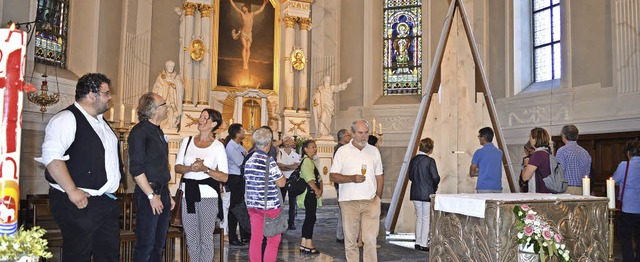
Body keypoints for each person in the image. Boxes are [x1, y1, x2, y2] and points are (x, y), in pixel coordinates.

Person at [37, 73, 122, 261]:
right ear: (92, 95)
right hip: (78, 202)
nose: (110, 98)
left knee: (108, 256)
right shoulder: (67, 118)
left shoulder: (102, 122)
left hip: (104, 202)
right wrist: (72, 190)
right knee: (78, 256)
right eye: (106, 93)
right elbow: (52, 157)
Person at [175, 109, 229, 262]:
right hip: (188, 195)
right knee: (191, 237)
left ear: (213, 124)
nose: (200, 119)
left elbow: (224, 177)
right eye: (200, 116)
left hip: (208, 196)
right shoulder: (187, 141)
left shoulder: (218, 146)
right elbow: (177, 167)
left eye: (205, 118)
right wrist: (190, 168)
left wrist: (205, 169)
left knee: (205, 239)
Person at [128, 92, 175, 261]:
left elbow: (161, 168)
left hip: (161, 192)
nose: (167, 106)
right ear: (154, 110)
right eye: (163, 104)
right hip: (149, 193)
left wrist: (167, 194)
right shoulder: (140, 132)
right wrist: (151, 195)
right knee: (146, 243)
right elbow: (136, 169)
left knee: (158, 244)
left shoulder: (158, 132)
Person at [330, 120, 384, 262]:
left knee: (370, 240)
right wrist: (351, 178)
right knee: (351, 241)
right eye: (360, 133)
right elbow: (332, 175)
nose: (363, 136)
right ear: (352, 133)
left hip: (371, 202)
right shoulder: (342, 151)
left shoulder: (374, 151)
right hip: (349, 202)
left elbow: (380, 176)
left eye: (366, 132)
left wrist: (378, 198)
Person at [244, 127, 286, 262]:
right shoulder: (269, 160)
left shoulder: (248, 160)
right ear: (268, 144)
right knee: (273, 239)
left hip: (253, 205)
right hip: (270, 206)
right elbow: (281, 183)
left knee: (256, 239)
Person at [408, 137, 440, 252]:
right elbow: (435, 177)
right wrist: (434, 186)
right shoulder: (430, 161)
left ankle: (417, 242)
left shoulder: (413, 160)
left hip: (415, 192)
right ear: (430, 149)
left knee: (419, 217)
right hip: (427, 192)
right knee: (426, 218)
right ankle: (423, 243)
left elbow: (410, 177)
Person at [613, 139, 640, 262]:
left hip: (628, 208)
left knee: (625, 238)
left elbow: (614, 180)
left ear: (629, 152)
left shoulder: (625, 165)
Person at [225, 123, 250, 246]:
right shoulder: (231, 147)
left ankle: (244, 234)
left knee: (239, 205)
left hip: (239, 178)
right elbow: (242, 162)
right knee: (234, 208)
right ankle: (233, 236)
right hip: (234, 178)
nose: (244, 132)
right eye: (242, 131)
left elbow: (246, 155)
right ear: (237, 133)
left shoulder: (238, 145)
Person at [297, 139, 323, 255]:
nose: (315, 149)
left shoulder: (310, 161)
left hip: (311, 193)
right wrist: (317, 190)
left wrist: (320, 187)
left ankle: (304, 243)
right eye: (312, 147)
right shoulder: (307, 161)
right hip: (309, 193)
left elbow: (319, 178)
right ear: (305, 149)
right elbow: (309, 179)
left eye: (315, 147)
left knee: (309, 218)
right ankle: (309, 244)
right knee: (310, 218)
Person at [229, 0, 267, 69]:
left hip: (249, 34)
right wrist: (231, 0)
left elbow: (260, 10)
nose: (243, 8)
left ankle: (247, 62)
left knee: (248, 48)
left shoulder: (252, 14)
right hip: (243, 33)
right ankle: (244, 63)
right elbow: (235, 7)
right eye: (242, 8)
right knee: (245, 46)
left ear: (247, 8)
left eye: (244, 7)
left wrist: (264, 4)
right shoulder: (242, 14)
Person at [556, 124, 592, 195]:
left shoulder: (562, 151)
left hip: (566, 189)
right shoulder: (585, 152)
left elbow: (559, 172)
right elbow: (587, 172)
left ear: (563, 135)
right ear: (577, 136)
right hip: (582, 189)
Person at [276, 136, 300, 230]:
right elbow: (279, 165)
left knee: (292, 203)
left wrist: (286, 166)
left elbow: (296, 166)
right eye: (287, 141)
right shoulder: (279, 152)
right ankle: (280, 222)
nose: (288, 142)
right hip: (282, 179)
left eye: (290, 141)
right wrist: (290, 166)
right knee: (280, 202)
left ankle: (291, 222)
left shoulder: (296, 154)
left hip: (292, 179)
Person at [152, 60, 184, 132]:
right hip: (164, 100)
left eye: (172, 66)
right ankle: (163, 126)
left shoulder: (176, 77)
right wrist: (164, 84)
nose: (171, 68)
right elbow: (156, 87)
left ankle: (171, 126)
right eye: (169, 66)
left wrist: (175, 83)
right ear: (166, 66)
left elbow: (180, 88)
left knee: (172, 116)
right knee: (163, 114)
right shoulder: (161, 76)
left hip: (173, 100)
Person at [469, 127, 503, 193]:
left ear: (483, 137)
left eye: (479, 136)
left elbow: (472, 173)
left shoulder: (479, 152)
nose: (479, 138)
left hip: (483, 188)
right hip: (497, 188)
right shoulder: (499, 152)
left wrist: (481, 172)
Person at [521, 127, 554, 193]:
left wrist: (526, 165)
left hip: (540, 192)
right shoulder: (547, 152)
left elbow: (525, 177)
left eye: (530, 137)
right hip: (548, 191)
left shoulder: (538, 154)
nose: (529, 139)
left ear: (535, 139)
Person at [333, 128, 351, 244]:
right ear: (343, 137)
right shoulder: (340, 149)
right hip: (342, 183)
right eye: (348, 135)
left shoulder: (341, 148)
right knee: (344, 210)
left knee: (343, 210)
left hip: (342, 183)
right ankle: (341, 234)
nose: (350, 137)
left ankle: (341, 234)